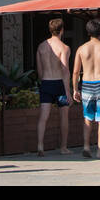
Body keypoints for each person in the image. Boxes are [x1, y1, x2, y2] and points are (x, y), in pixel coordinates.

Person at [72, 18, 100, 158]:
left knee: (88, 117)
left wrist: (75, 89)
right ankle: (99, 150)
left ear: (88, 32)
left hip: (86, 84)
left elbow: (75, 72)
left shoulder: (81, 49)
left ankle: (86, 146)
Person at [36, 18, 73, 156]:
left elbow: (39, 70)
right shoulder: (64, 48)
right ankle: (63, 147)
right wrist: (68, 91)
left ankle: (40, 145)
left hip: (46, 82)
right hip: (59, 84)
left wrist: (43, 81)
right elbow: (65, 70)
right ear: (62, 30)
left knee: (43, 116)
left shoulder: (41, 46)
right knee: (64, 116)